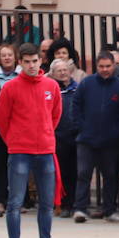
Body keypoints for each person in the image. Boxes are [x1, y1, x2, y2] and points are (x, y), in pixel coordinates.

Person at [0, 44, 69, 238]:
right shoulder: (10, 88)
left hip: (45, 149)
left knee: (47, 203)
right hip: (20, 151)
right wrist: (15, 140)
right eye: (26, 61)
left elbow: (55, 115)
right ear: (20, 62)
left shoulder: (51, 86)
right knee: (15, 202)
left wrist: (45, 134)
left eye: (34, 61)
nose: (31, 65)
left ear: (40, 61)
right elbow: (2, 119)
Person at [70, 52, 119, 223]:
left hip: (110, 141)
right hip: (86, 139)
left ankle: (109, 210)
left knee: (111, 176)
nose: (105, 70)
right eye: (101, 66)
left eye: (108, 66)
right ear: (96, 66)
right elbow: (76, 106)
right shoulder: (86, 83)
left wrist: (117, 133)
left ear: (114, 66)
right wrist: (81, 127)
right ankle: (80, 209)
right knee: (83, 174)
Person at [0, 44, 18, 216]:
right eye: (4, 55)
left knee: (17, 166)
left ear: (15, 57)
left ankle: (18, 200)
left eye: (10, 55)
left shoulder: (21, 76)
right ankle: (0, 200)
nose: (7, 58)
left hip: (17, 130)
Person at [49, 58, 80, 216]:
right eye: (59, 70)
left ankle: (77, 204)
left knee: (77, 171)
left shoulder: (78, 89)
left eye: (65, 69)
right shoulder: (51, 89)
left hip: (76, 136)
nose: (62, 73)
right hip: (58, 137)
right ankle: (64, 205)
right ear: (53, 74)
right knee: (61, 173)